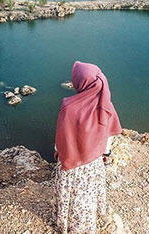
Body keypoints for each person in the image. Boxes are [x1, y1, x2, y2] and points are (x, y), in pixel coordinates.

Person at [54, 61, 122, 233]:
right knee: (87, 196)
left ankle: (65, 224)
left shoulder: (69, 107)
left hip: (72, 166)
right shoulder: (106, 106)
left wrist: (57, 152)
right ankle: (88, 224)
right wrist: (105, 153)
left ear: (81, 83)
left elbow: (62, 138)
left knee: (70, 197)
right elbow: (108, 137)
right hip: (93, 164)